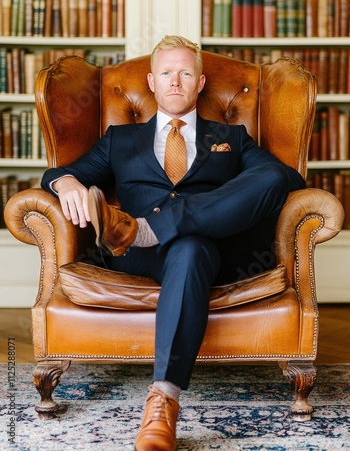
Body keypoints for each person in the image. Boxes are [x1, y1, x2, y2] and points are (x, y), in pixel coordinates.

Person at [41, 35, 306, 450]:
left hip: (217, 253)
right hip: (140, 258)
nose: (176, 81)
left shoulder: (232, 138)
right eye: (167, 73)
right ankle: (163, 398)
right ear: (152, 81)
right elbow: (56, 173)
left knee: (259, 187)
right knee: (187, 247)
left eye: (186, 73)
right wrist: (69, 182)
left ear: (200, 83)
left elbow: (287, 181)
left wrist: (180, 216)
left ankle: (144, 229)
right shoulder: (120, 139)